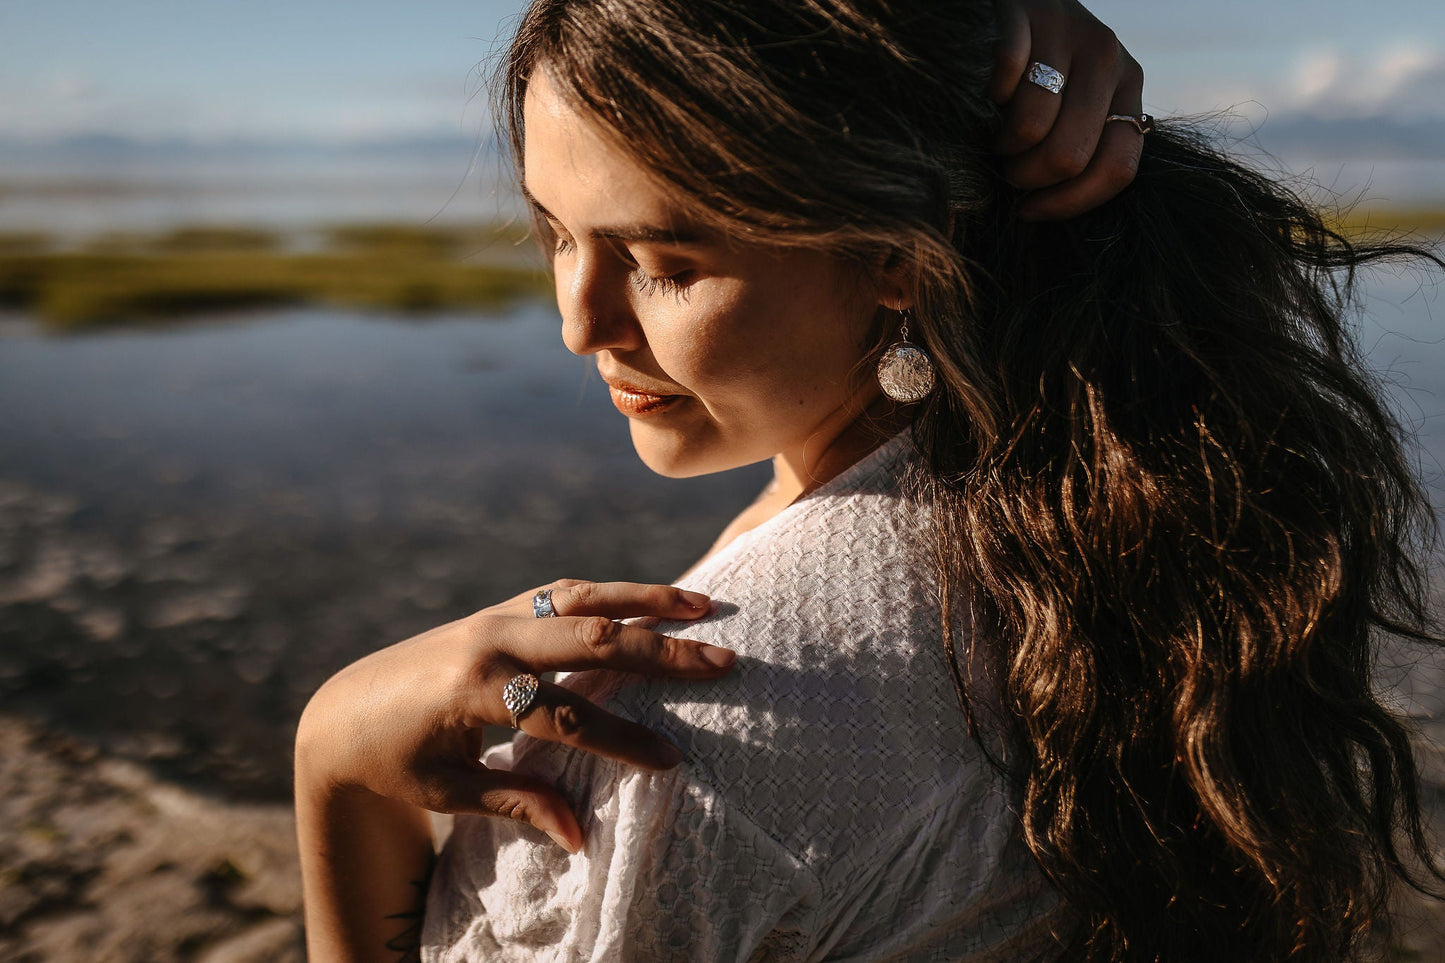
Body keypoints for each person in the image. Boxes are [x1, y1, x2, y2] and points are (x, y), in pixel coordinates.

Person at [295, 0, 1445, 960]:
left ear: (897, 254)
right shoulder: (1083, 517)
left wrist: (339, 761)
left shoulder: (687, 719)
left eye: (663, 264)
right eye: (554, 234)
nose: (577, 323)